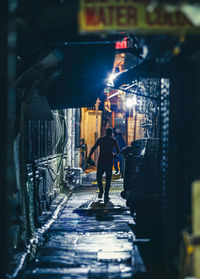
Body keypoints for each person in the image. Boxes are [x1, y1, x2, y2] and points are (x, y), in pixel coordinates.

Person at [88, 127, 120, 202]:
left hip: (101, 160)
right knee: (108, 178)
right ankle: (106, 194)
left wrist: (89, 156)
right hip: (109, 161)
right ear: (111, 133)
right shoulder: (113, 140)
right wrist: (114, 155)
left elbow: (94, 147)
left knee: (99, 176)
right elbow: (118, 151)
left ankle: (101, 190)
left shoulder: (101, 140)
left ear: (106, 132)